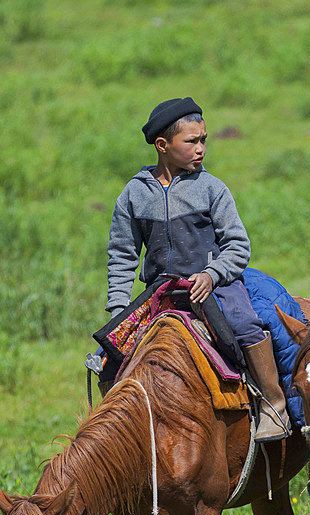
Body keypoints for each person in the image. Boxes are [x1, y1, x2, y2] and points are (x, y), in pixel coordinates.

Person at [106, 97, 290, 440]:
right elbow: (122, 255)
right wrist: (119, 310)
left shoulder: (211, 188)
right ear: (163, 145)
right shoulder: (133, 195)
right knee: (109, 355)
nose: (201, 148)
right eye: (192, 141)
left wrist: (211, 275)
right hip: (160, 290)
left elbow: (238, 246)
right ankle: (118, 436)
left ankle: (274, 405)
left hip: (214, 284)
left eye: (204, 139)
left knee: (244, 325)